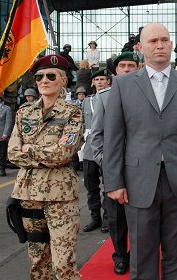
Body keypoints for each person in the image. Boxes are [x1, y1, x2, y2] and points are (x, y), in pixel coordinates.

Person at [102, 22, 177, 280]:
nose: (160, 45)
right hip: (138, 182)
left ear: (172, 45)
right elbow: (114, 138)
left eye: (164, 39)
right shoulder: (123, 85)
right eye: (153, 41)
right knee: (142, 255)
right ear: (140, 47)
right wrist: (114, 182)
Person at [8, 54, 84, 279]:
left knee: (64, 264)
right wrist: (40, 152)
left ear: (63, 80)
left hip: (60, 197)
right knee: (38, 262)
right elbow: (12, 152)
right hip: (29, 194)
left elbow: (63, 154)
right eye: (39, 77)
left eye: (51, 76)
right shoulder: (24, 112)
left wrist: (28, 149)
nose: (44, 80)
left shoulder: (73, 112)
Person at [89, 51, 140, 275]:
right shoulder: (103, 97)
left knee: (142, 216)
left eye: (131, 65)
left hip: (141, 167)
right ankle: (120, 255)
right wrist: (105, 163)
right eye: (123, 66)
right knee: (116, 217)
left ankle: (138, 255)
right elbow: (96, 136)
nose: (127, 69)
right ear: (115, 71)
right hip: (114, 169)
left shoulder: (147, 94)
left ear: (138, 68)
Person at [82, 69, 112, 233]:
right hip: (88, 150)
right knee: (91, 186)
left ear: (108, 82)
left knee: (108, 186)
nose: (100, 82)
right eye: (97, 79)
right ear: (92, 83)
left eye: (103, 79)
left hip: (106, 147)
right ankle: (95, 218)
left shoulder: (112, 98)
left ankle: (108, 218)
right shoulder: (87, 101)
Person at [0, 97, 13, 177]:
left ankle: (2, 168)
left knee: (2, 153)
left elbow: (8, 122)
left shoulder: (6, 108)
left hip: (1, 134)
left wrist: (5, 133)